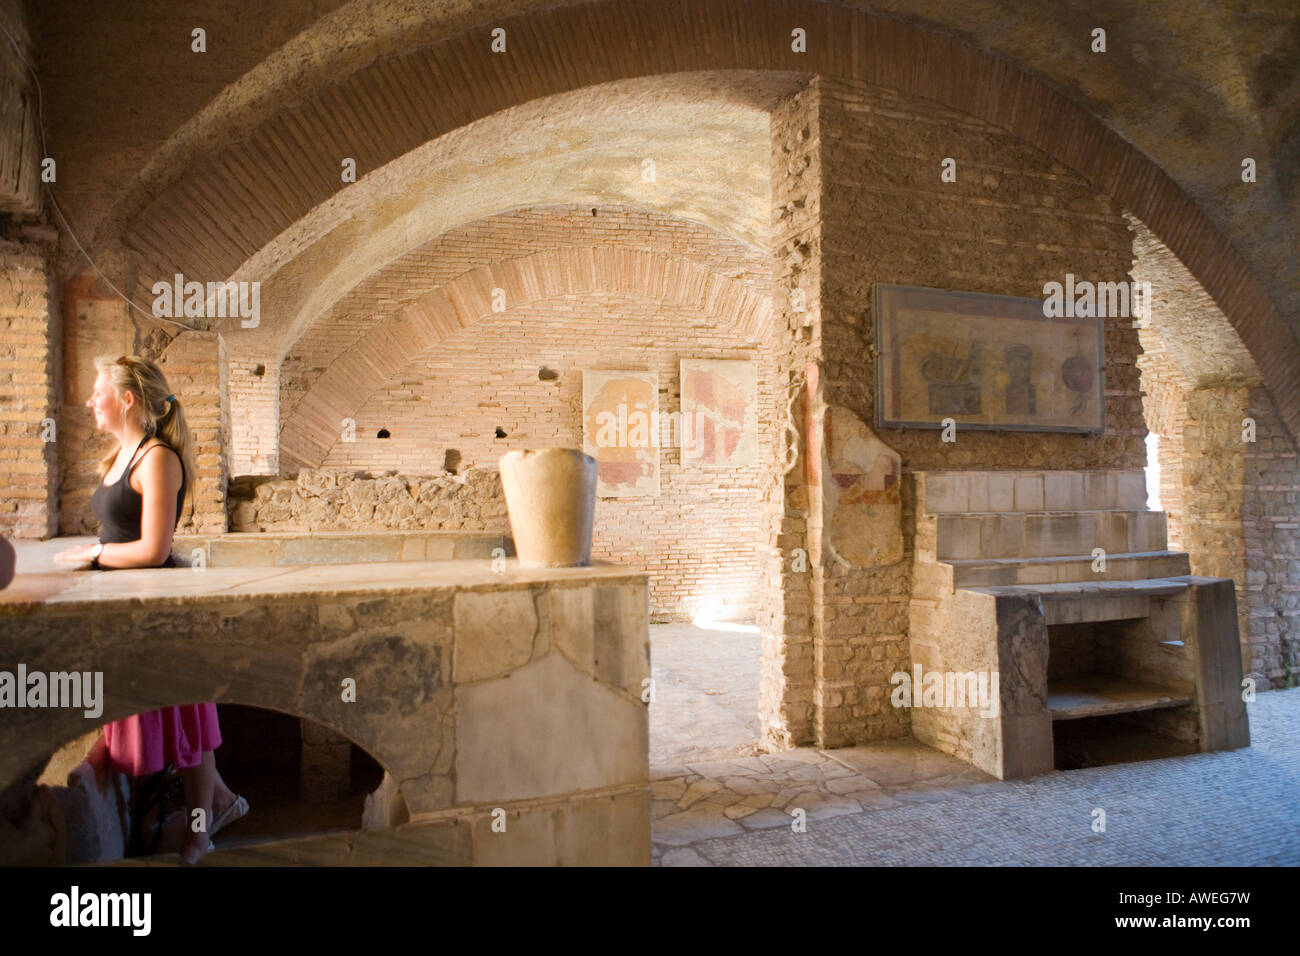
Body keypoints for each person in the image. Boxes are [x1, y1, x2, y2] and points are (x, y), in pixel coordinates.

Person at [53, 354, 248, 863]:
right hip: (128, 604)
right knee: (173, 712)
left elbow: (153, 550)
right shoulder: (119, 456)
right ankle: (222, 803)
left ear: (128, 399)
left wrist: (95, 554)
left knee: (189, 721)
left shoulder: (158, 457)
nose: (91, 400)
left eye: (99, 392)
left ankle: (200, 833)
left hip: (160, 603)